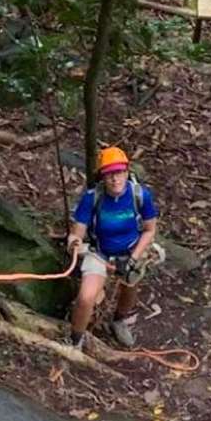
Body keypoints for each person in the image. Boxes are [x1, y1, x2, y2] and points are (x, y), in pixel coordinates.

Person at [64, 146, 161, 350]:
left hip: (131, 250)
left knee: (130, 285)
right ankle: (74, 340)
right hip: (100, 253)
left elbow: (150, 230)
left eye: (119, 173)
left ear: (126, 172)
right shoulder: (92, 198)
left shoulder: (140, 195)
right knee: (86, 297)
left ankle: (119, 320)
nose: (115, 179)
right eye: (109, 174)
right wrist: (74, 242)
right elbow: (77, 232)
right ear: (102, 177)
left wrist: (133, 258)